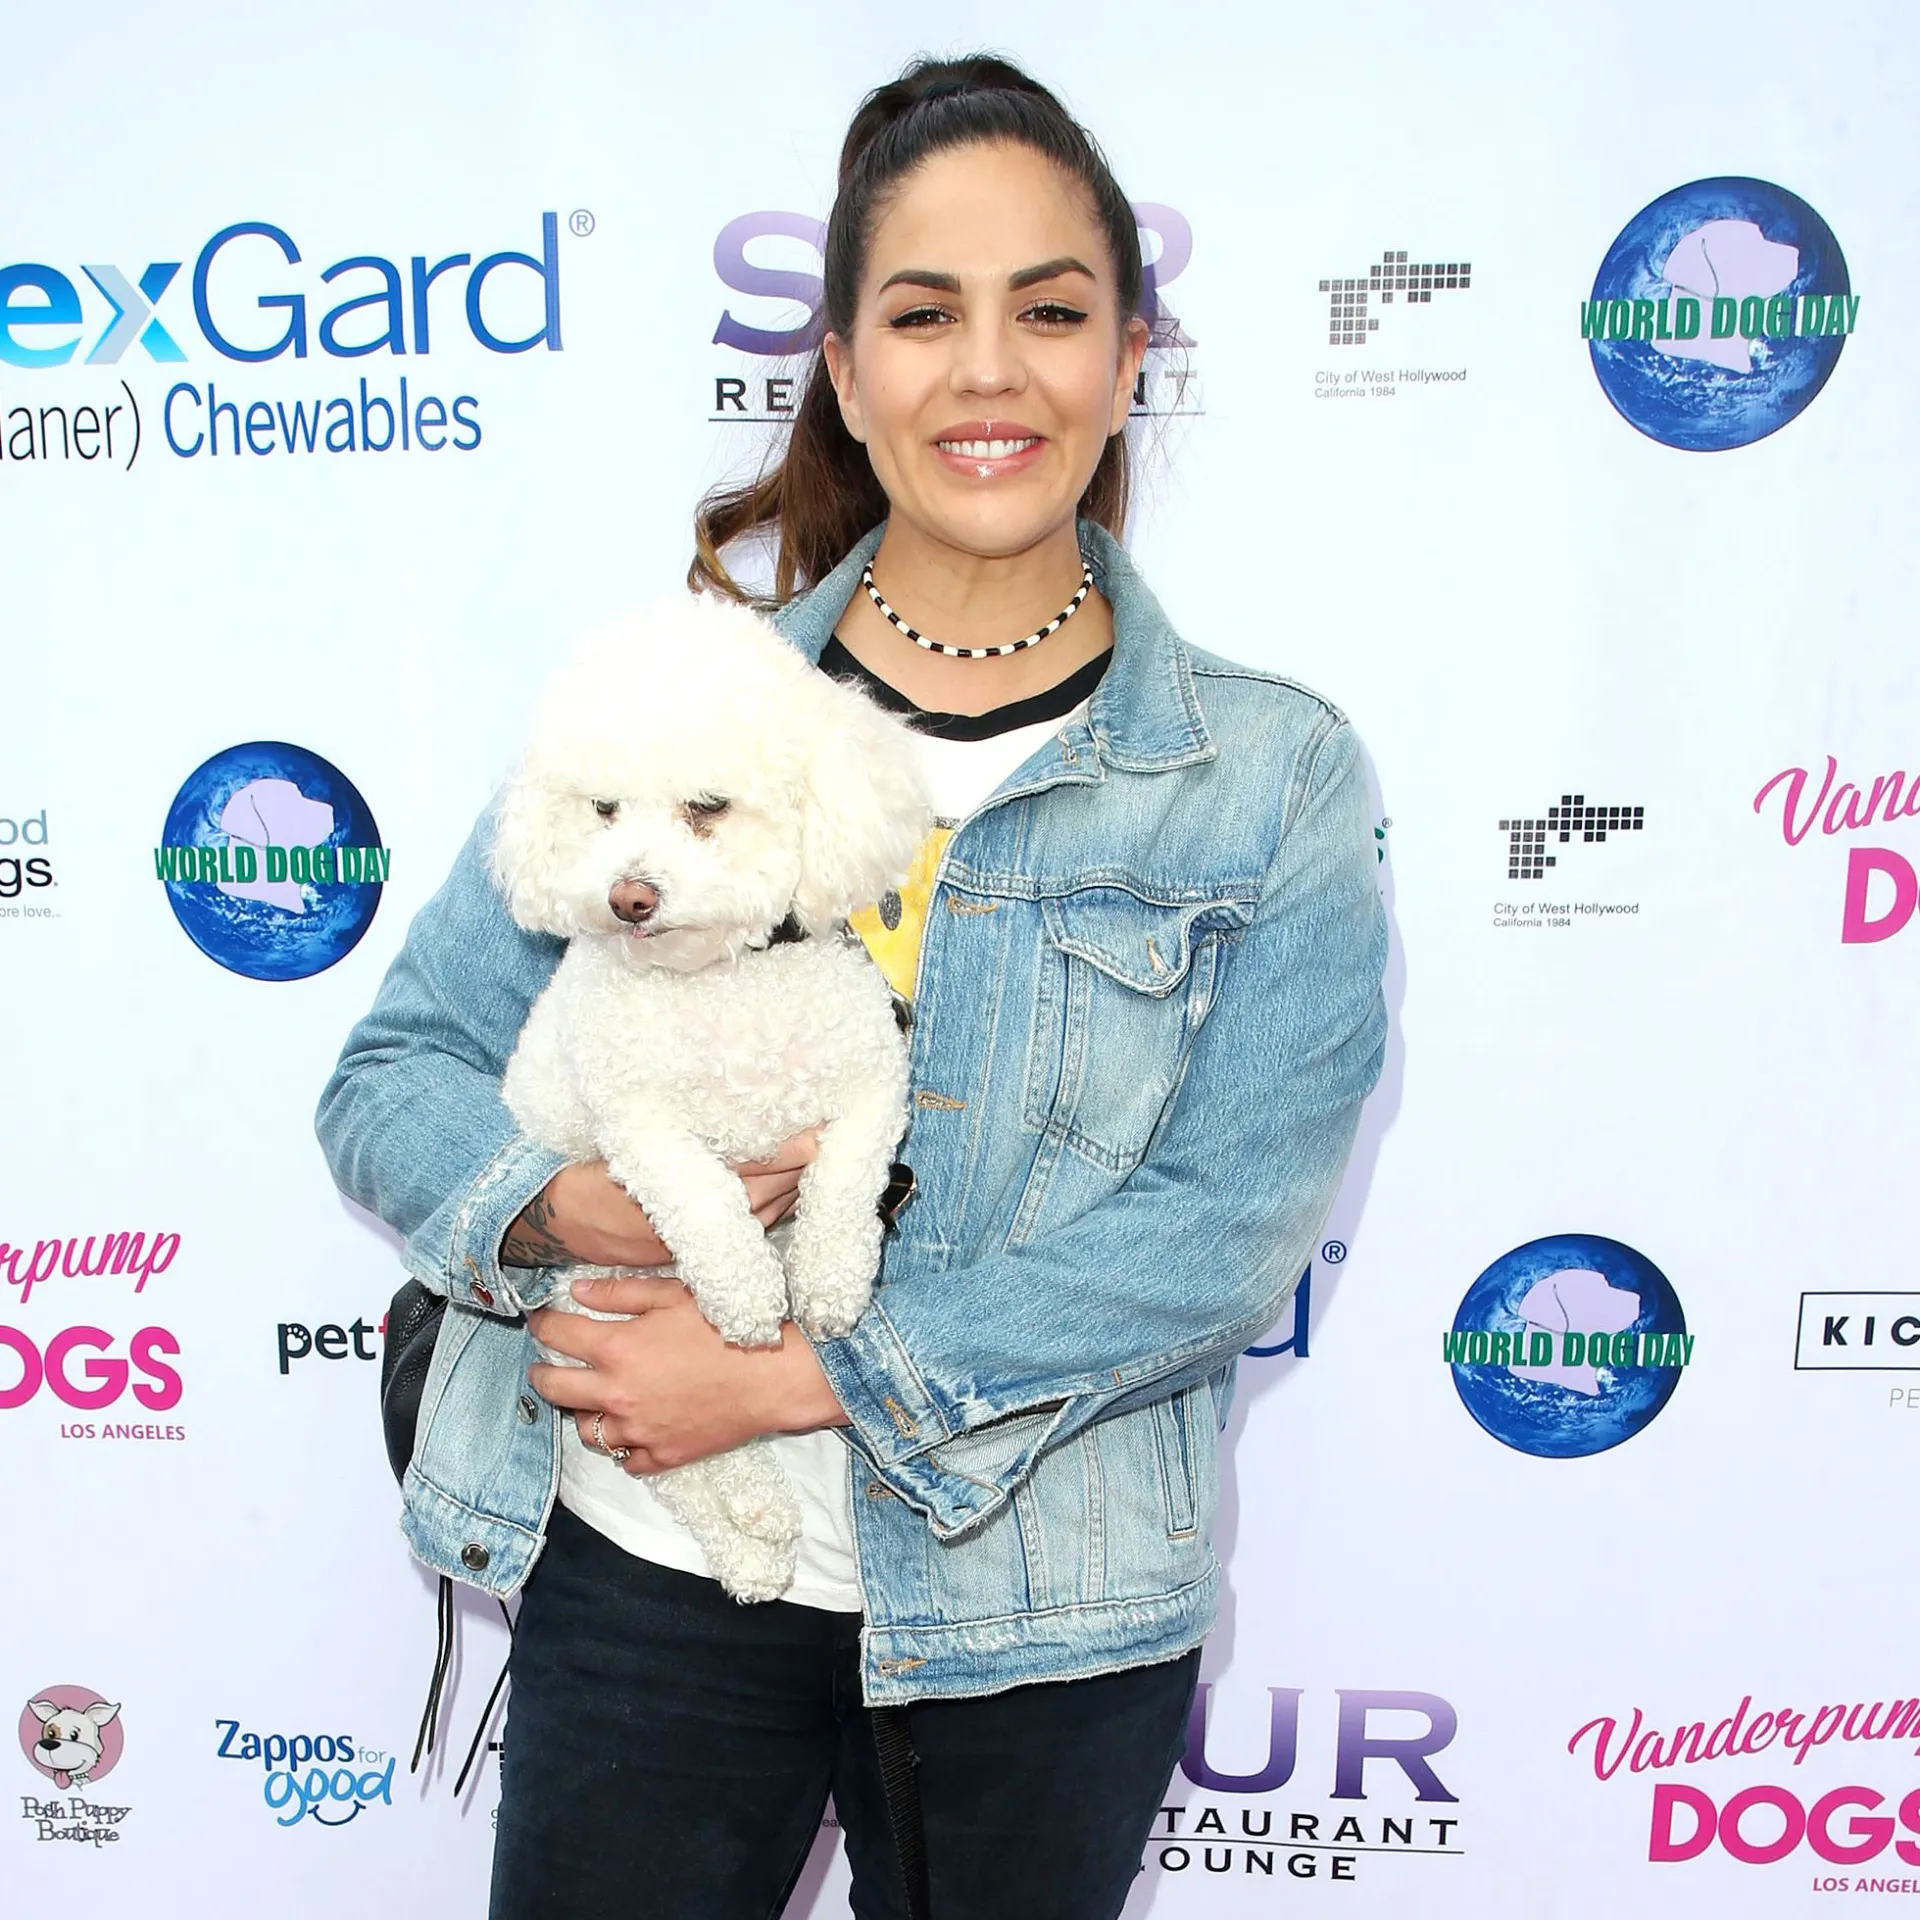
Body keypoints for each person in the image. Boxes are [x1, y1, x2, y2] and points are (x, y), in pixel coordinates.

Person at [317, 52, 1387, 1920]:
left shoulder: (1269, 778)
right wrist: (569, 1205)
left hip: (1040, 1609)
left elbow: (1224, 1232)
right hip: (648, 1570)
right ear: (841, 362)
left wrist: (801, 1375)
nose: (989, 372)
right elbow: (394, 1071)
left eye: (1049, 311)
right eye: (922, 314)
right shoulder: (677, 704)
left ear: (1130, 354)